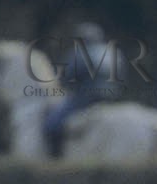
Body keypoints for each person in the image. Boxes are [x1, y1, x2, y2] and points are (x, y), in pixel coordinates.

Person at [42, 23, 122, 159]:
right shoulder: (112, 52)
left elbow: (67, 76)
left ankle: (54, 160)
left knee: (52, 124)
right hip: (112, 98)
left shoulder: (81, 53)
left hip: (86, 98)